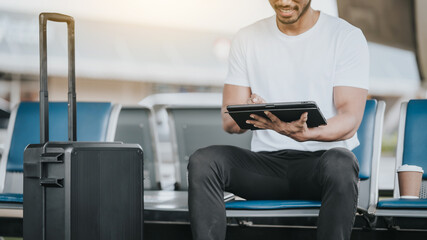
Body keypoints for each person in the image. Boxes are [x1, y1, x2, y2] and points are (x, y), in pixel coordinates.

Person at [188, 0, 369, 239]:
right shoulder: (247, 38)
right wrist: (253, 111)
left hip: (321, 167)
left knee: (341, 162)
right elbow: (229, 121)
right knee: (204, 161)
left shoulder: (345, 37)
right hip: (266, 167)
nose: (283, 2)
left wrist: (308, 134)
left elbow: (350, 119)